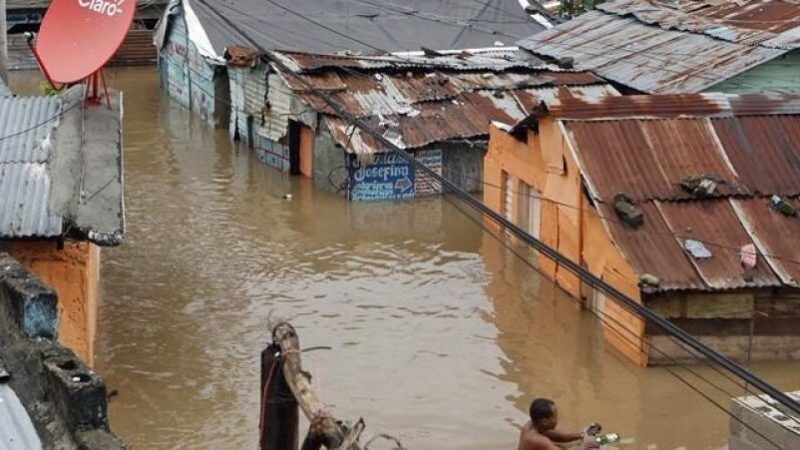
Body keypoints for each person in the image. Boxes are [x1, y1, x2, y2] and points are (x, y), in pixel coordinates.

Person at [517, 398, 599, 450]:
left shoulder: (534, 424)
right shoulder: (539, 441)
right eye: (554, 417)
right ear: (544, 421)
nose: (557, 419)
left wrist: (582, 434)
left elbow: (556, 435)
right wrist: (586, 445)